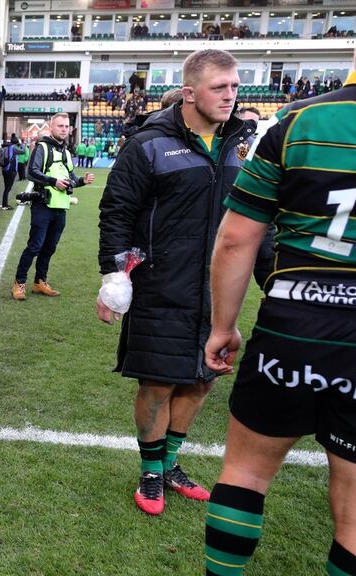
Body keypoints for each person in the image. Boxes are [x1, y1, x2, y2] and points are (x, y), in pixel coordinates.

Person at [202, 9, 356, 574]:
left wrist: (223, 328)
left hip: (292, 326)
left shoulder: (297, 121)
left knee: (246, 474)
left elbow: (236, 241)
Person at [96, 49, 254, 516]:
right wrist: (115, 274)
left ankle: (170, 464)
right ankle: (150, 472)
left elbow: (249, 220)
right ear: (189, 92)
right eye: (219, 87)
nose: (231, 96)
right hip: (161, 286)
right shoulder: (148, 144)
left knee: (203, 380)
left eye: (235, 87)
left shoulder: (238, 145)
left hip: (216, 291)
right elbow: (117, 211)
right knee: (159, 382)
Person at [12, 113, 94, 301]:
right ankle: (19, 282)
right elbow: (31, 172)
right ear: (51, 127)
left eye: (66, 126)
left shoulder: (66, 152)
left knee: (49, 247)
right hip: (43, 205)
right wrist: (53, 181)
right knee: (35, 246)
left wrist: (82, 180)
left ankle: (40, 281)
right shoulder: (42, 147)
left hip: (61, 206)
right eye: (60, 126)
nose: (64, 129)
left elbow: (71, 180)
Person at [0, 137, 21, 210]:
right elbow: (23, 151)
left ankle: (5, 204)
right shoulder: (13, 148)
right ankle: (5, 205)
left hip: (5, 169)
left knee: (6, 188)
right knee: (7, 189)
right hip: (11, 170)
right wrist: (21, 144)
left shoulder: (5, 147)